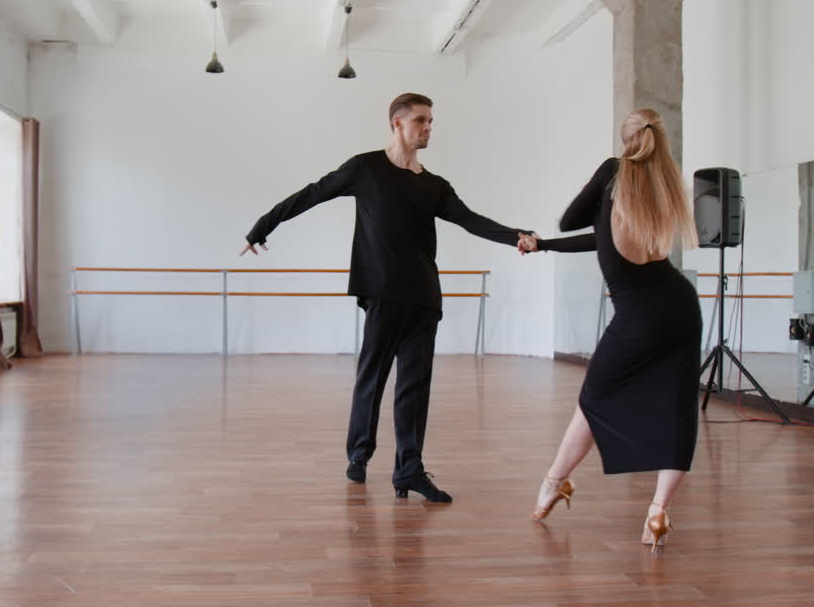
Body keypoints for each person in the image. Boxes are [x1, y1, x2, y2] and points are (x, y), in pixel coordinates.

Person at [241, 93, 534, 503]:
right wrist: (262, 226)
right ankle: (359, 455)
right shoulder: (366, 168)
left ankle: (409, 470)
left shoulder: (434, 185)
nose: (429, 127)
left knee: (415, 387)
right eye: (421, 120)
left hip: (424, 298)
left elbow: (471, 220)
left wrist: (515, 236)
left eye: (431, 120)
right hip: (381, 292)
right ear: (397, 123)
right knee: (372, 378)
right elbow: (313, 193)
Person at [518, 108, 701, 552]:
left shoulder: (613, 172)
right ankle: (658, 512)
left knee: (593, 400)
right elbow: (600, 236)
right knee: (679, 409)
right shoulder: (661, 187)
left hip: (638, 316)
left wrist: (598, 188)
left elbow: (573, 221)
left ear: (625, 141)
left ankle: (553, 483)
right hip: (680, 307)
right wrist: (543, 246)